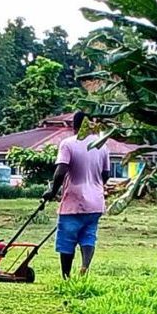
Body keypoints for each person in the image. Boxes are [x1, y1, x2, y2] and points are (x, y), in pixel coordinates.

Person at [46, 111, 110, 279]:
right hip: (96, 202)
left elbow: (60, 171)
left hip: (74, 201)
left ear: (74, 126)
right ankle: (84, 267)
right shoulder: (102, 146)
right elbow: (106, 175)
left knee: (67, 240)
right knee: (89, 236)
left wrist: (52, 191)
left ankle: (66, 276)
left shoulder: (68, 144)